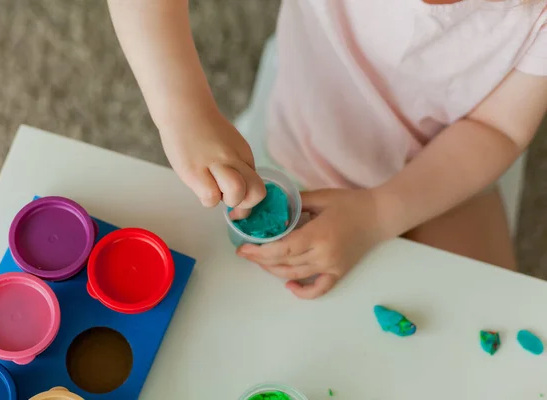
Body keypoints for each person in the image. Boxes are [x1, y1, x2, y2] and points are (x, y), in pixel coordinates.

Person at [107, 0, 547, 299]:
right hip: (306, 127)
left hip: (454, 155)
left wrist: (379, 213)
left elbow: (498, 129)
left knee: (481, 316)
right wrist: (183, 111)